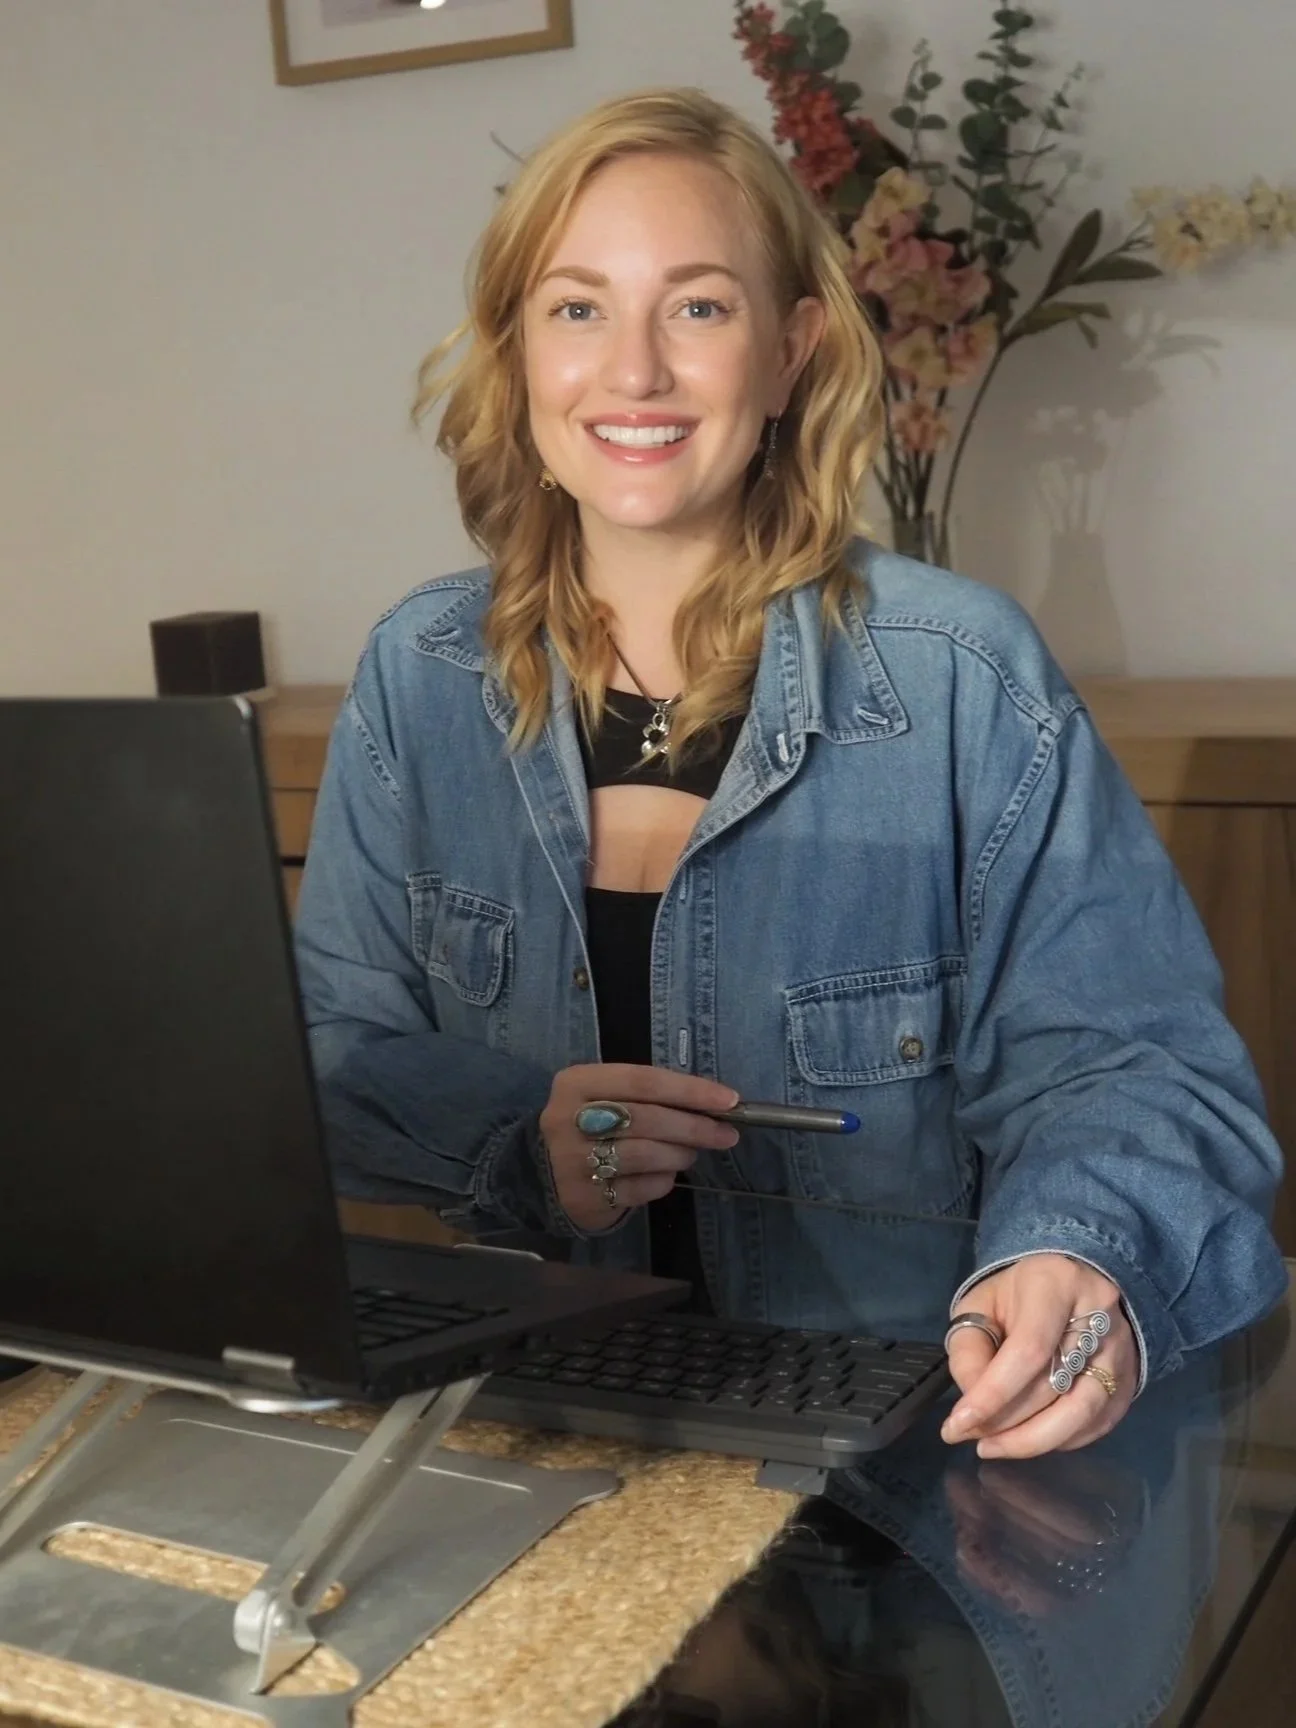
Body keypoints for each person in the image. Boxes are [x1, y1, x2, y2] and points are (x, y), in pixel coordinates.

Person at [293, 87, 1286, 1459]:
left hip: (895, 1464)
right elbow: (329, 1052)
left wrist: (1077, 1256)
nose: (633, 372)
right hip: (539, 1436)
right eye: (578, 308)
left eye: (697, 308)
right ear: (518, 350)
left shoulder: (961, 674)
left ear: (790, 352)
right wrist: (521, 1140)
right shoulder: (419, 673)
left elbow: (1129, 1062)